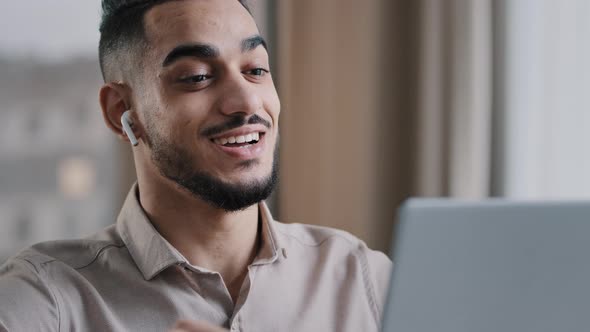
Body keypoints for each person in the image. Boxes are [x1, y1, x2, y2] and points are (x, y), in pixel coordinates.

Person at [0, 0, 392, 331]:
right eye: (197, 77)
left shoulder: (365, 279)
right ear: (122, 111)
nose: (247, 102)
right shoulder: (44, 298)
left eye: (255, 70)